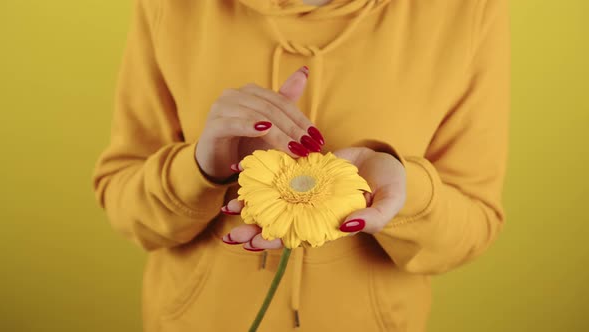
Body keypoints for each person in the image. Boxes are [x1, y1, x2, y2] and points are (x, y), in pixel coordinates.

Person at [92, 0, 510, 331]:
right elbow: (123, 202)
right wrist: (201, 168)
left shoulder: (468, 10)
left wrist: (403, 193)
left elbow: (474, 226)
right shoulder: (173, 6)